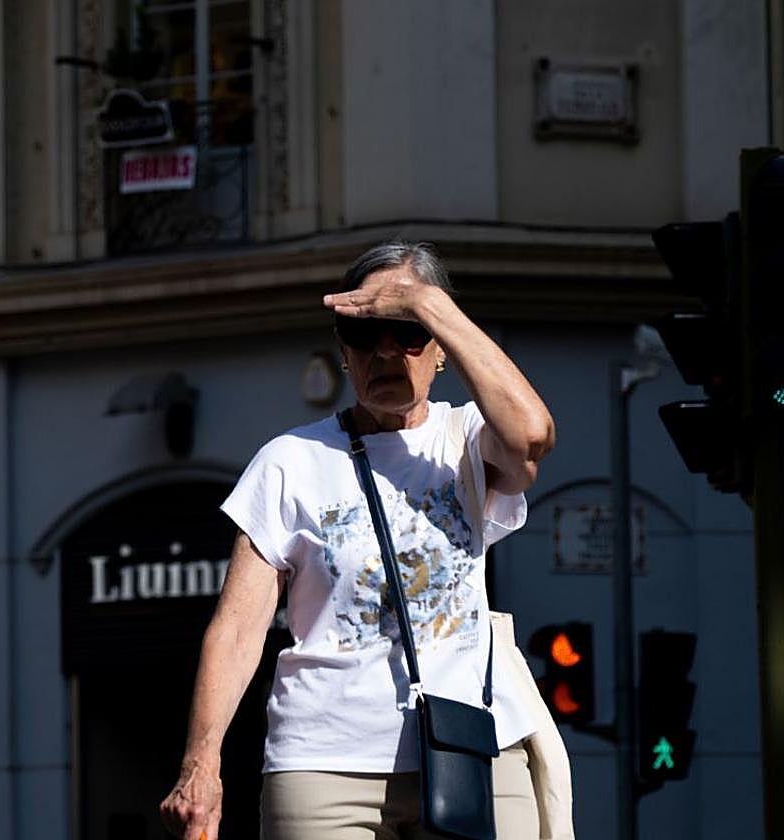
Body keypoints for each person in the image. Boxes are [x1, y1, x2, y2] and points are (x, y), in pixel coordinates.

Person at [159, 241, 557, 840]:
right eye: (365, 336)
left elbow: (531, 436)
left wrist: (426, 302)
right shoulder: (290, 461)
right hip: (323, 766)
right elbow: (238, 627)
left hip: (472, 749)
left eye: (408, 332)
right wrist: (202, 764)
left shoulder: (469, 440)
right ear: (343, 352)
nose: (387, 352)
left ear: (441, 347)